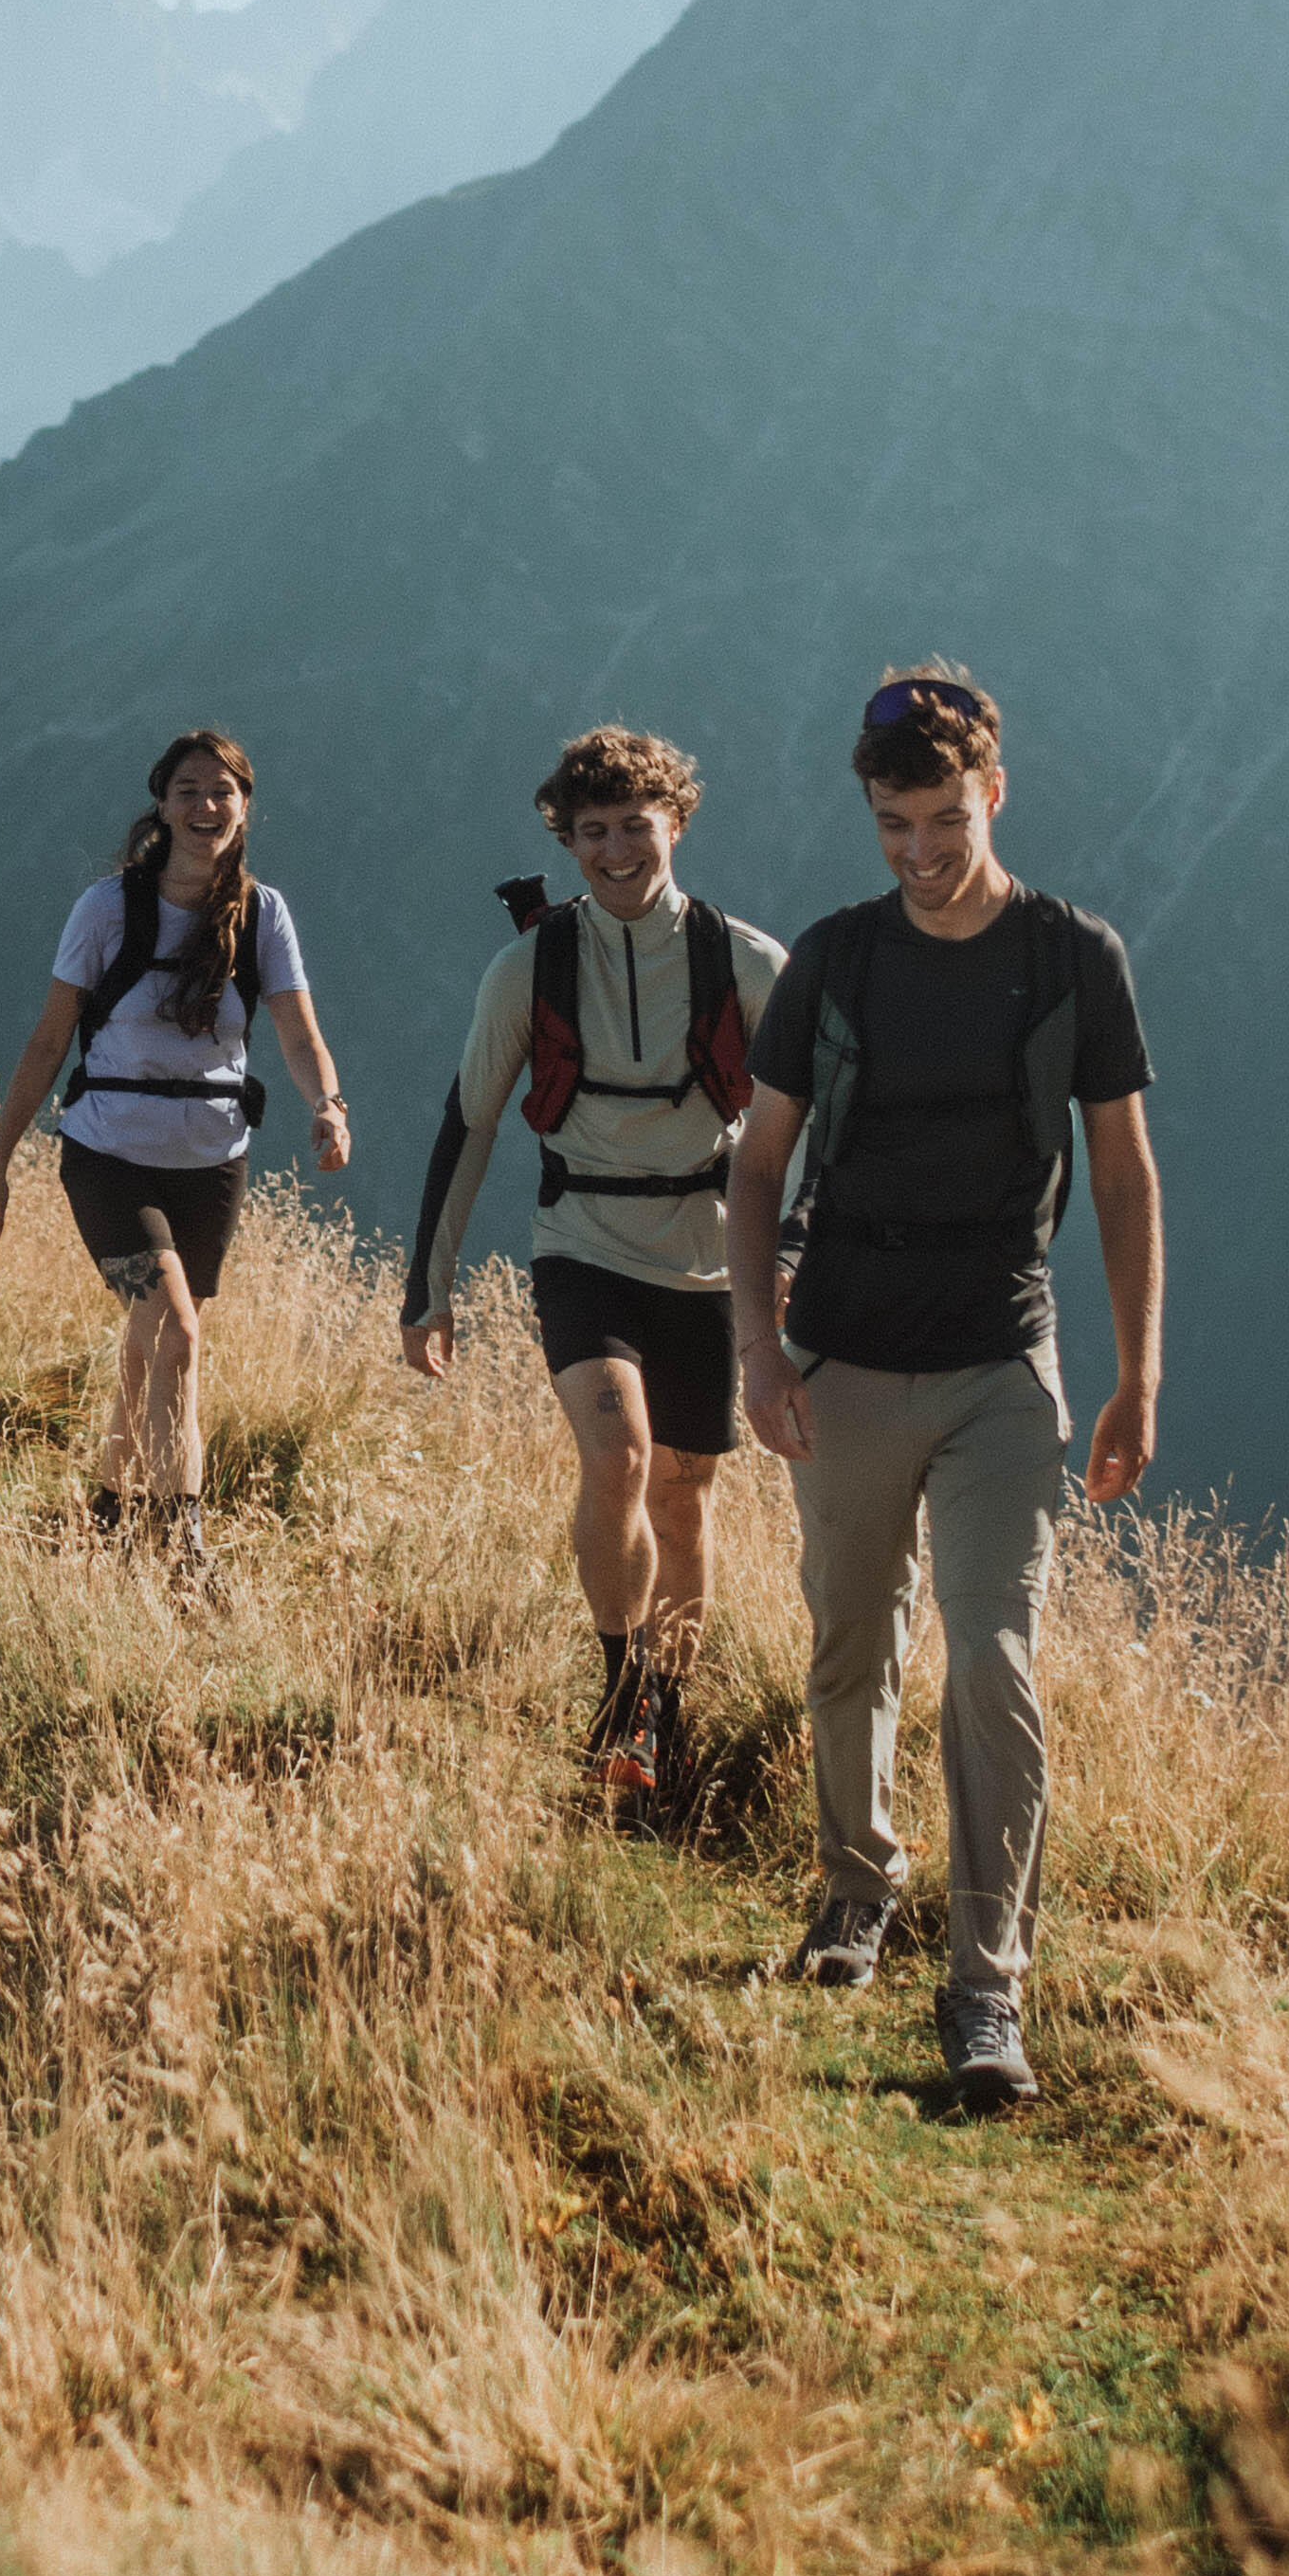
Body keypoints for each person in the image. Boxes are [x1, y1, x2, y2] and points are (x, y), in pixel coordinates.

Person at [722, 661, 1160, 2116]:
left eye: (944, 818)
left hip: (998, 1363)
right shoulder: (838, 962)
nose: (919, 849)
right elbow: (758, 1166)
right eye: (893, 823)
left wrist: (1135, 1374)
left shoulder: (1070, 957)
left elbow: (1120, 1172)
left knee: (994, 1663)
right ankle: (857, 1887)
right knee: (853, 1644)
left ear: (996, 790)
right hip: (844, 1353)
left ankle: (986, 1990)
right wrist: (758, 1349)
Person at [397, 722, 786, 1825]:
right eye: (593, 833)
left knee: (685, 1488)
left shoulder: (747, 961)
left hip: (711, 1261)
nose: (616, 851)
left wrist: (795, 1250)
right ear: (567, 841)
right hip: (584, 1246)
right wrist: (431, 1289)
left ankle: (673, 1709)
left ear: (679, 821)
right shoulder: (530, 964)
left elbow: (823, 1121)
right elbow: (470, 1122)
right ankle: (622, 1692)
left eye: (636, 826)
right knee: (617, 1456)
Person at [0, 729, 351, 1569]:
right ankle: (183, 1545)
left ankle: (108, 1507)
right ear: (162, 804)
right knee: (177, 1328)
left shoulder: (263, 914)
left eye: (221, 792)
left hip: (212, 1161)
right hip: (106, 1153)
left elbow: (296, 1030)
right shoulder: (109, 909)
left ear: (245, 806)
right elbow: (48, 1040)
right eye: (188, 791)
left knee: (154, 1342)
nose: (205, 807)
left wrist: (327, 1104)